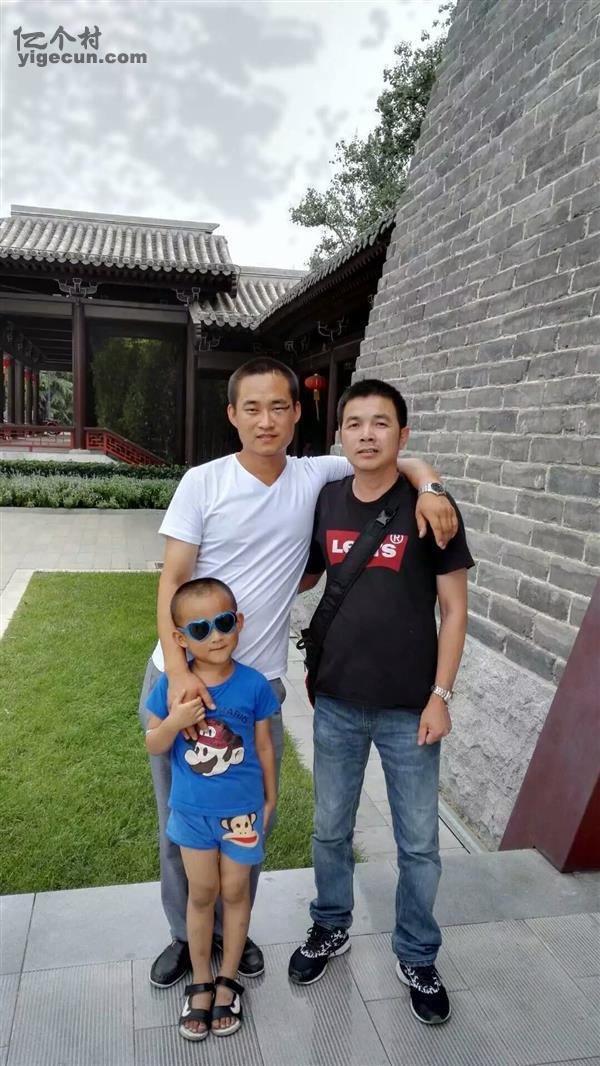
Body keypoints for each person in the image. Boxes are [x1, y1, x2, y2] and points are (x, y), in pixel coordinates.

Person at [138, 356, 459, 989]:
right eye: (252, 408)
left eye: (279, 407)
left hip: (257, 684)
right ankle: (185, 936)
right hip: (185, 677)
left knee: (248, 815)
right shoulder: (202, 482)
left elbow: (392, 456)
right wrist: (178, 671)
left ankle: (234, 931)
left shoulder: (315, 474)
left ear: (297, 415)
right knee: (181, 818)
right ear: (232, 415)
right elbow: (172, 580)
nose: (266, 420)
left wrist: (429, 484)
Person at [288, 378, 474, 1027]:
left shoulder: (432, 507)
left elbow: (454, 611)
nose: (367, 434)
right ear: (341, 434)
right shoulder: (327, 499)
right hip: (338, 701)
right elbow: (308, 572)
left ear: (403, 433)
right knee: (329, 829)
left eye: (381, 423)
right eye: (355, 423)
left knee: (418, 843)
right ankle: (330, 925)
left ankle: (417, 954)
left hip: (409, 708)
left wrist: (441, 696)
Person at [145, 576, 278, 1041]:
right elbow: (154, 742)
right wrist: (176, 720)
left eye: (223, 623)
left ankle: (228, 980)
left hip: (241, 815)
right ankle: (201, 980)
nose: (215, 636)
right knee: (201, 894)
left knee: (236, 892)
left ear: (238, 622)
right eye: (200, 629)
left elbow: (264, 746)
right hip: (192, 815)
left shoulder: (254, 685)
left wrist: (270, 797)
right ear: (180, 639)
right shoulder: (172, 687)